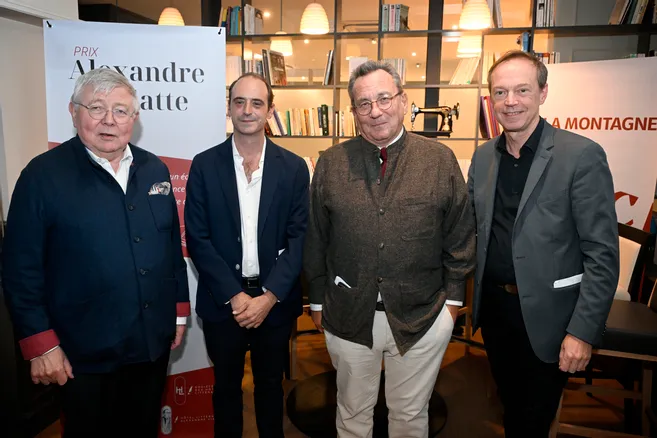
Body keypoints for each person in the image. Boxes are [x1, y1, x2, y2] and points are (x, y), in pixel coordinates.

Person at [1, 68, 190, 438]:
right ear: (74, 112)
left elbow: (170, 246)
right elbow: (20, 269)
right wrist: (41, 345)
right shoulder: (41, 176)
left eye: (120, 110)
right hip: (80, 354)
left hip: (150, 345)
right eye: (97, 108)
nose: (109, 120)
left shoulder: (155, 169)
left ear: (134, 119)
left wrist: (179, 311)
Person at [303, 60, 476, 438]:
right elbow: (316, 237)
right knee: (351, 415)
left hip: (423, 316)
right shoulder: (331, 164)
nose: (375, 111)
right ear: (353, 112)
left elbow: (460, 235)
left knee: (410, 417)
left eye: (384, 98)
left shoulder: (439, 160)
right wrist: (317, 302)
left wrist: (452, 305)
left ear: (403, 101)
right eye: (364, 103)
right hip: (347, 315)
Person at [467, 50, 620, 437]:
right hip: (496, 313)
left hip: (552, 320)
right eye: (500, 92)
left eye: (522, 90)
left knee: (532, 422)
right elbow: (471, 229)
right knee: (511, 409)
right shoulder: (483, 158)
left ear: (543, 92)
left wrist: (582, 332)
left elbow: (602, 255)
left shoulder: (581, 155)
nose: (510, 101)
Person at [185, 72, 309, 438]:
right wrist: (236, 297)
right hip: (224, 302)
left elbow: (300, 237)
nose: (247, 110)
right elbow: (198, 238)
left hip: (275, 302)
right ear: (229, 108)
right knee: (225, 389)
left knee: (270, 387)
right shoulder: (204, 165)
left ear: (270, 110)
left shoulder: (293, 167)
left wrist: (268, 297)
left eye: (257, 103)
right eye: (239, 102)